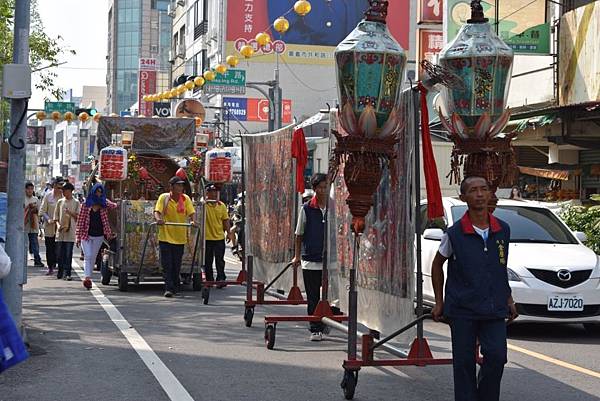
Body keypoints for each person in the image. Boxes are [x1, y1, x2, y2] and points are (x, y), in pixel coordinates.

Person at [431, 176, 518, 401]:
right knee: (463, 363)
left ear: (490, 194)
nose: (479, 194)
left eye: (483, 190)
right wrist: (439, 302)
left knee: (497, 357)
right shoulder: (454, 233)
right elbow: (437, 265)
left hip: (494, 308)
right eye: (473, 191)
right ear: (463, 197)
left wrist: (508, 299)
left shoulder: (503, 230)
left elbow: (500, 267)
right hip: (462, 308)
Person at [292, 173, 328, 342]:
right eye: (320, 187)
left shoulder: (333, 208)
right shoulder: (306, 208)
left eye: (325, 187)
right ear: (314, 189)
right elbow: (299, 234)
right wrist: (297, 256)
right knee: (313, 296)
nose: (323, 190)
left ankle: (327, 321)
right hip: (310, 260)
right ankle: (315, 328)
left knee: (331, 296)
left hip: (329, 261)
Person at [154, 176, 197, 298]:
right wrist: (158, 220)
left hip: (179, 237)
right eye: (178, 185)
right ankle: (168, 288)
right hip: (165, 237)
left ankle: (175, 285)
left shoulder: (185, 198)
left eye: (182, 185)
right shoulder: (164, 198)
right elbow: (157, 211)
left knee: (176, 264)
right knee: (167, 264)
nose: (180, 187)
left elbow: (191, 212)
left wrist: (193, 221)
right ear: (171, 187)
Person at [76, 183, 117, 290]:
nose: (98, 194)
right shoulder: (86, 204)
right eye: (97, 192)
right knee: (88, 255)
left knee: (93, 256)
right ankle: (87, 278)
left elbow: (115, 206)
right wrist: (77, 237)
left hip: (99, 236)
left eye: (100, 192)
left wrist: (120, 203)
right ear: (93, 192)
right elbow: (80, 221)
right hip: (86, 235)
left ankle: (88, 277)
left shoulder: (104, 203)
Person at [203, 184, 235, 287]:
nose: (214, 194)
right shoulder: (204, 205)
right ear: (207, 193)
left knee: (219, 260)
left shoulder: (221, 206)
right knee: (207, 260)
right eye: (212, 191)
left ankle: (221, 278)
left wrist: (229, 233)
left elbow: (225, 221)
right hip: (206, 238)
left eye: (216, 192)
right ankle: (209, 280)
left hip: (219, 237)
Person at [54, 182, 80, 280]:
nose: (64, 192)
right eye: (63, 191)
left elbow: (78, 217)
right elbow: (55, 217)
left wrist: (70, 212)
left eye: (65, 190)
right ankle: (60, 272)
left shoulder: (76, 202)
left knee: (68, 254)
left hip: (70, 231)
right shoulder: (60, 202)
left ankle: (67, 273)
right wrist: (58, 225)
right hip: (60, 232)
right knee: (59, 253)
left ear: (70, 191)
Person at [40, 177, 64, 275]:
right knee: (49, 248)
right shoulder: (48, 196)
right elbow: (42, 211)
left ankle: (61, 267)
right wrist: (48, 219)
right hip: (49, 227)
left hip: (60, 228)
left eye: (62, 187)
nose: (60, 189)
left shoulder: (64, 197)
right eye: (59, 186)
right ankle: (50, 267)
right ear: (54, 185)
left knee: (59, 248)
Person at [24, 182, 44, 267]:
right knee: (23, 243)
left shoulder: (36, 199)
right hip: (24, 225)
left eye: (31, 189)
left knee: (35, 243)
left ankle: (37, 260)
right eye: (28, 189)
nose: (30, 191)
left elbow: (40, 212)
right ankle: (22, 260)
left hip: (34, 224)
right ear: (25, 189)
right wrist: (28, 208)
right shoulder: (22, 199)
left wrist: (34, 209)